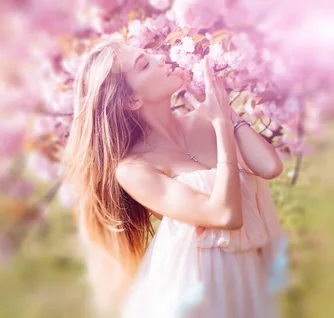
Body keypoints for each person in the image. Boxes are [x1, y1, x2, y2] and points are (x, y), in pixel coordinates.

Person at [62, 36, 288, 318]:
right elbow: (225, 216)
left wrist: (226, 114)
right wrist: (221, 127)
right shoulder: (134, 169)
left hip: (245, 274)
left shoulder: (204, 120)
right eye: (145, 65)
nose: (161, 60)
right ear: (132, 99)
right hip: (197, 291)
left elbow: (269, 167)